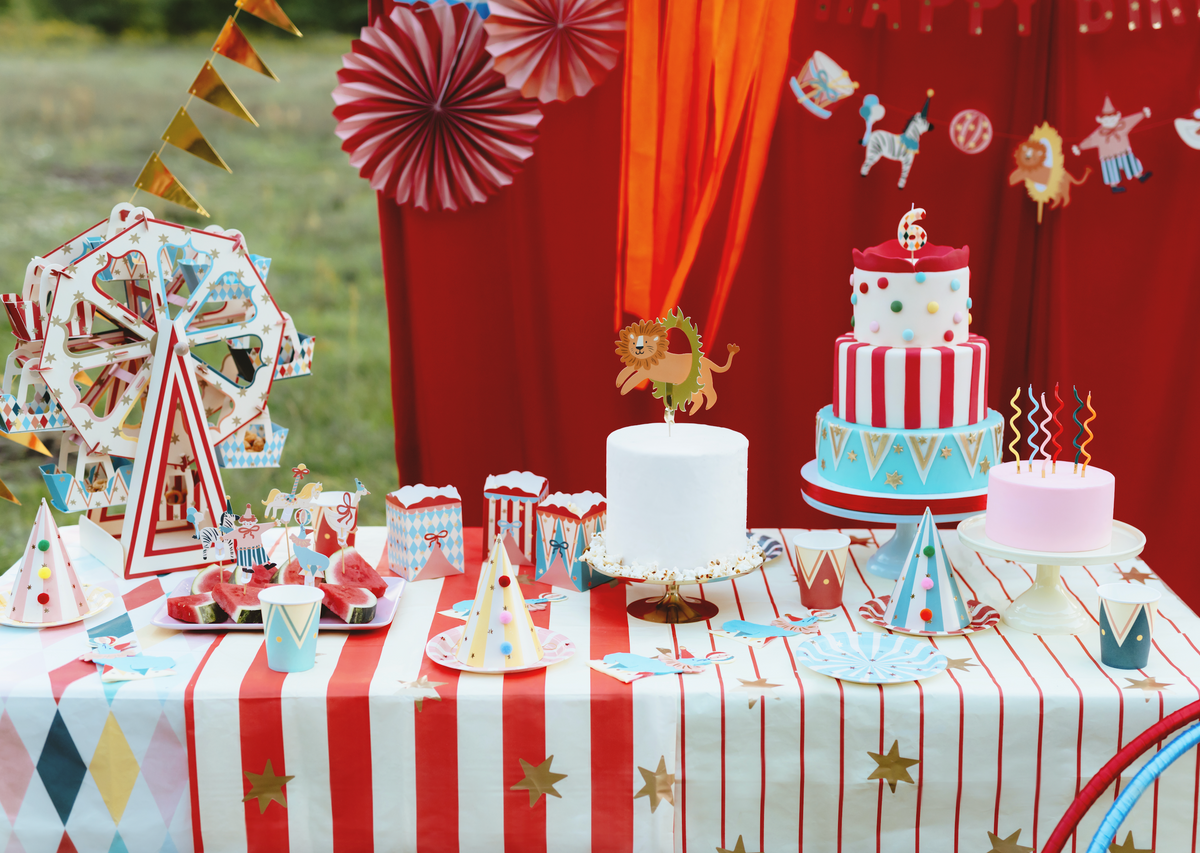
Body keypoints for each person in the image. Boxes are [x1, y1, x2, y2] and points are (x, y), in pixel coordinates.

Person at [1072, 95, 1152, 194]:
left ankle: (1140, 176)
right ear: (1100, 120)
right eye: (1107, 119)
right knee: (1111, 170)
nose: (1110, 121)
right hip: (1108, 156)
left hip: (1123, 151)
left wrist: (1142, 114)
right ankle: (1114, 186)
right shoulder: (1099, 133)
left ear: (1117, 116)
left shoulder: (1122, 124)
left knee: (1130, 163)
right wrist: (1080, 147)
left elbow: (1132, 119)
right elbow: (1090, 141)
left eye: (1112, 118)